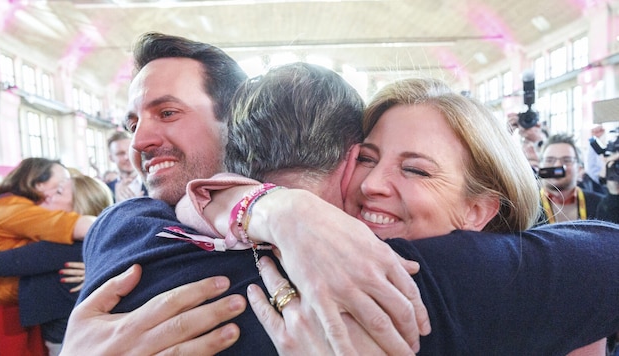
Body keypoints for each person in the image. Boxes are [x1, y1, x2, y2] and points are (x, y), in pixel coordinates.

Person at [65, 65, 619, 354]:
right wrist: (275, 209)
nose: (376, 183)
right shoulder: (463, 290)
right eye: (372, 159)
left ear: (481, 210)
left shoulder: (136, 253)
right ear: (349, 157)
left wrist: (262, 203)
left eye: (416, 169)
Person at [67, 33, 426, 356]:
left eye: (168, 113)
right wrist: (277, 207)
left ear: (234, 123)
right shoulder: (123, 229)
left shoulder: (387, 263)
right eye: (132, 125)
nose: (138, 141)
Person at [0, 172, 112, 355]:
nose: (48, 196)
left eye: (59, 193)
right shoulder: (95, 247)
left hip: (65, 341)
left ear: (78, 205)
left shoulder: (61, 247)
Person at [537, 133, 604, 224]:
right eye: (549, 160)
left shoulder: (601, 205)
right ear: (540, 166)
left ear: (579, 168)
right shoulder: (525, 206)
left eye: (567, 160)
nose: (557, 165)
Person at [106, 131, 147, 202]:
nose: (127, 157)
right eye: (120, 153)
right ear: (111, 158)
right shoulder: (107, 189)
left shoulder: (155, 184)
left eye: (130, 151)